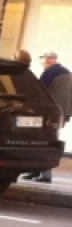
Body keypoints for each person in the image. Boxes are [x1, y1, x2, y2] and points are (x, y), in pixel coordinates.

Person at [25, 52, 71, 182]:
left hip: (48, 113)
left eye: (43, 62)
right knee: (49, 140)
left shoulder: (50, 73)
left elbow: (39, 91)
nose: (43, 66)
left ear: (49, 60)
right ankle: (36, 172)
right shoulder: (67, 73)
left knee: (40, 141)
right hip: (61, 113)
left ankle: (43, 174)